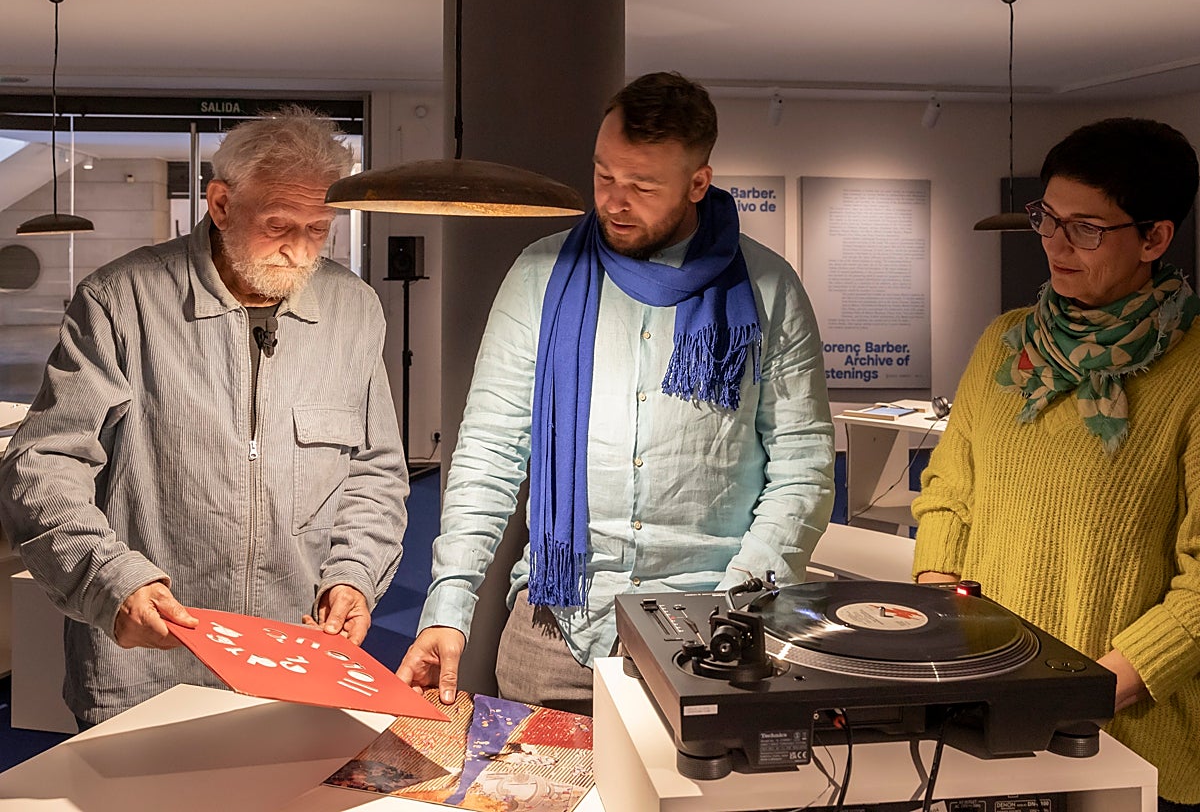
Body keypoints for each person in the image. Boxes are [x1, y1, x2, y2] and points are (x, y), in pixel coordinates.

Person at [397, 72, 835, 713]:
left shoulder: (770, 290)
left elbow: (803, 466)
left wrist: (744, 602)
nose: (613, 201)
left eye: (641, 186)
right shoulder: (540, 275)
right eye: (604, 175)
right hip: (555, 631)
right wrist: (449, 604)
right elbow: (489, 452)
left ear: (698, 183)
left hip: (712, 628)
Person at [0, 107, 409, 727]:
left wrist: (354, 575)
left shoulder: (354, 310)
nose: (299, 252)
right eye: (278, 225)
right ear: (220, 204)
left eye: (319, 230)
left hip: (293, 662)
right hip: (146, 671)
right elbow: (42, 465)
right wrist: (111, 580)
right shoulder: (121, 301)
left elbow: (373, 472)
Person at [912, 118, 1200, 810]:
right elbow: (951, 492)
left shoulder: (1190, 373)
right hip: (980, 721)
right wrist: (944, 623)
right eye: (1047, 217)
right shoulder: (1005, 342)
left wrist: (1079, 696)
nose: (1053, 244)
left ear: (1155, 238)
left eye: (1087, 228)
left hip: (1122, 745)